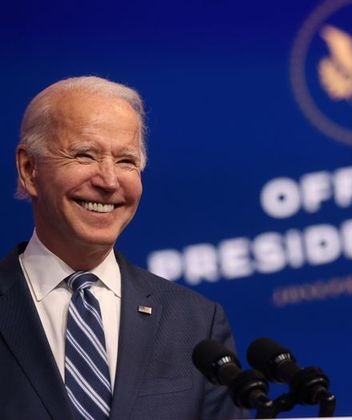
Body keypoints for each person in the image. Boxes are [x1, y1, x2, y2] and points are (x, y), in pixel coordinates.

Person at [0, 76, 246, 419]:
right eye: (84, 155)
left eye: (127, 161)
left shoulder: (195, 323)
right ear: (29, 169)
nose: (109, 181)